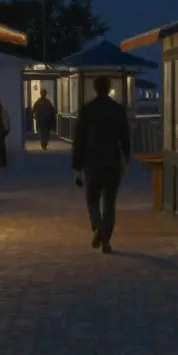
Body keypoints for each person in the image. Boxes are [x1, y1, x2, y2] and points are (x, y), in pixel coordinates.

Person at [71, 75, 131, 254]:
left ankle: (98, 229)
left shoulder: (87, 110)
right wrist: (125, 158)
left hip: (92, 161)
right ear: (109, 87)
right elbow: (125, 137)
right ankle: (106, 237)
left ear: (95, 89)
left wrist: (77, 166)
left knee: (92, 200)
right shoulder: (118, 110)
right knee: (110, 202)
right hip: (112, 161)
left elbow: (79, 140)